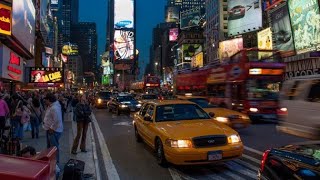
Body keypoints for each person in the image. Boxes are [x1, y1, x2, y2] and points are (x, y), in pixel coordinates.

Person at [43, 93, 63, 164]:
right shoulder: (51, 106)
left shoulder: (54, 108)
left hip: (53, 131)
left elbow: (56, 120)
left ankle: (55, 164)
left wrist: (52, 128)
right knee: (50, 148)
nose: (45, 101)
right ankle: (51, 162)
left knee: (53, 148)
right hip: (50, 129)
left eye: (46, 100)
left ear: (49, 100)